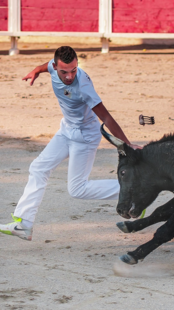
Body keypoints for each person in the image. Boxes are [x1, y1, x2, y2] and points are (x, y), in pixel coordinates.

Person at [0, 46, 140, 241]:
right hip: (66, 130)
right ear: (56, 66)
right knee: (38, 168)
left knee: (77, 189)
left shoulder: (83, 86)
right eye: (64, 71)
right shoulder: (52, 67)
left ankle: (135, 188)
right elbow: (45, 66)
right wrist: (35, 71)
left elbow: (106, 117)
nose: (69, 76)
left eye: (74, 70)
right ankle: (23, 224)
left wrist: (127, 144)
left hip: (84, 137)